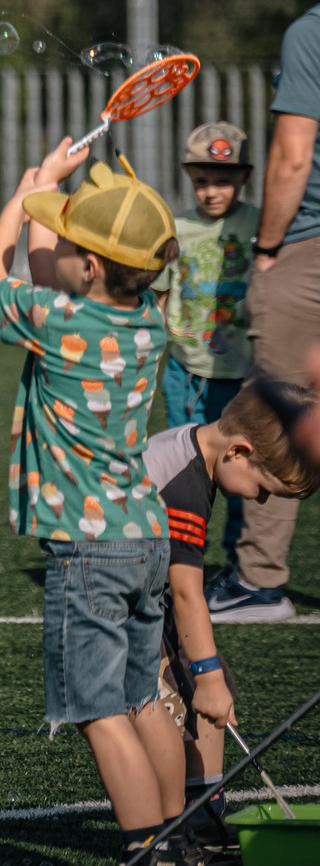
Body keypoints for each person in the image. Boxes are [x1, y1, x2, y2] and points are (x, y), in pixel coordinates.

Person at [0, 141, 189, 866]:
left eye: (70, 241)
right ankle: (180, 852)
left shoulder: (55, 317)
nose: (58, 246)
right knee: (142, 698)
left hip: (87, 547)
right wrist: (50, 196)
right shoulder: (148, 320)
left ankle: (143, 860)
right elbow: (49, 271)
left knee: (98, 710)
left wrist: (26, 190)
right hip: (145, 534)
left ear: (91, 266)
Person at [146, 379, 318, 866]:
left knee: (211, 684)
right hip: (125, 600)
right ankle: (168, 834)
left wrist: (210, 675)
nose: (260, 502)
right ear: (239, 451)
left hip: (148, 589)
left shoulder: (198, 450)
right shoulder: (183, 485)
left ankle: (203, 821)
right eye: (264, 489)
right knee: (171, 700)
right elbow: (186, 592)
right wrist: (206, 675)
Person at [214, 0, 320, 624]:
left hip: (308, 246)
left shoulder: (309, 33)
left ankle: (258, 582)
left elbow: (290, 156)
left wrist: (267, 250)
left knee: (276, 405)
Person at [152, 122, 257, 563]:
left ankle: (238, 562)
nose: (211, 191)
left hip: (241, 377)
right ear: (188, 177)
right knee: (184, 469)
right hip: (186, 372)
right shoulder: (175, 228)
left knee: (242, 470)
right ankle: (179, 558)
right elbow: (160, 295)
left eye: (223, 181)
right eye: (201, 181)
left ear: (244, 177)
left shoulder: (259, 225)